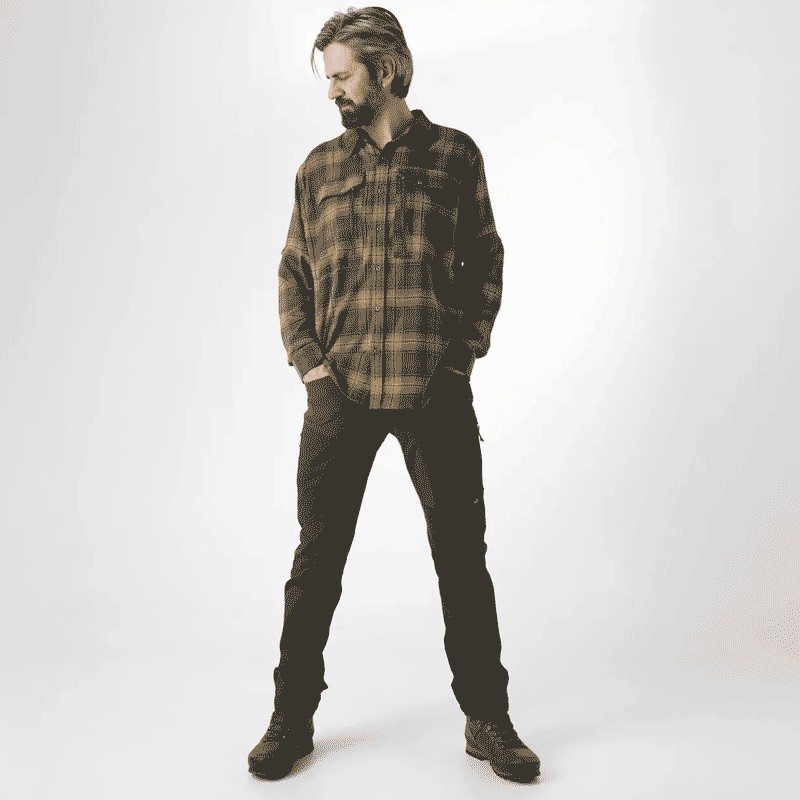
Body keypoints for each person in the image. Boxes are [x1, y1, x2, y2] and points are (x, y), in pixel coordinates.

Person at [248, 6, 540, 784]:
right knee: (316, 562)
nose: (332, 91)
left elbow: (486, 260)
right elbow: (293, 274)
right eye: (328, 78)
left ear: (385, 69)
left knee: (462, 560)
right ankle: (291, 718)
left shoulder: (454, 157)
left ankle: (488, 719)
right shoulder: (318, 169)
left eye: (342, 75)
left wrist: (460, 360)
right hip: (338, 396)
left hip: (432, 391)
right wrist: (312, 370)